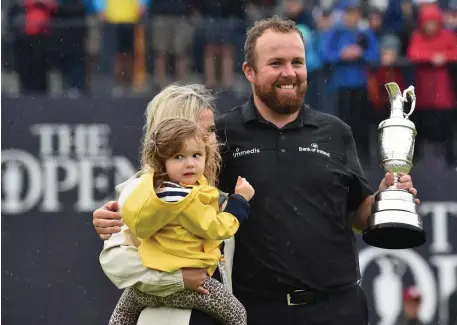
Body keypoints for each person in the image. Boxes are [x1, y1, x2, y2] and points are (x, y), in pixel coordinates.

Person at [94, 16, 420, 325]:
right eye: (276, 63)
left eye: (297, 62)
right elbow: (165, 182)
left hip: (338, 308)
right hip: (258, 311)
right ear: (249, 71)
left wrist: (388, 199)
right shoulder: (221, 134)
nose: (289, 73)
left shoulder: (336, 132)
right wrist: (116, 215)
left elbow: (358, 214)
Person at [108, 118, 253, 325]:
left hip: (148, 286)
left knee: (121, 317)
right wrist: (239, 201)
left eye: (196, 155)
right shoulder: (186, 199)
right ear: (162, 162)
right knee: (237, 314)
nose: (190, 163)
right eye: (178, 156)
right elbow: (217, 228)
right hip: (191, 286)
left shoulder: (149, 191)